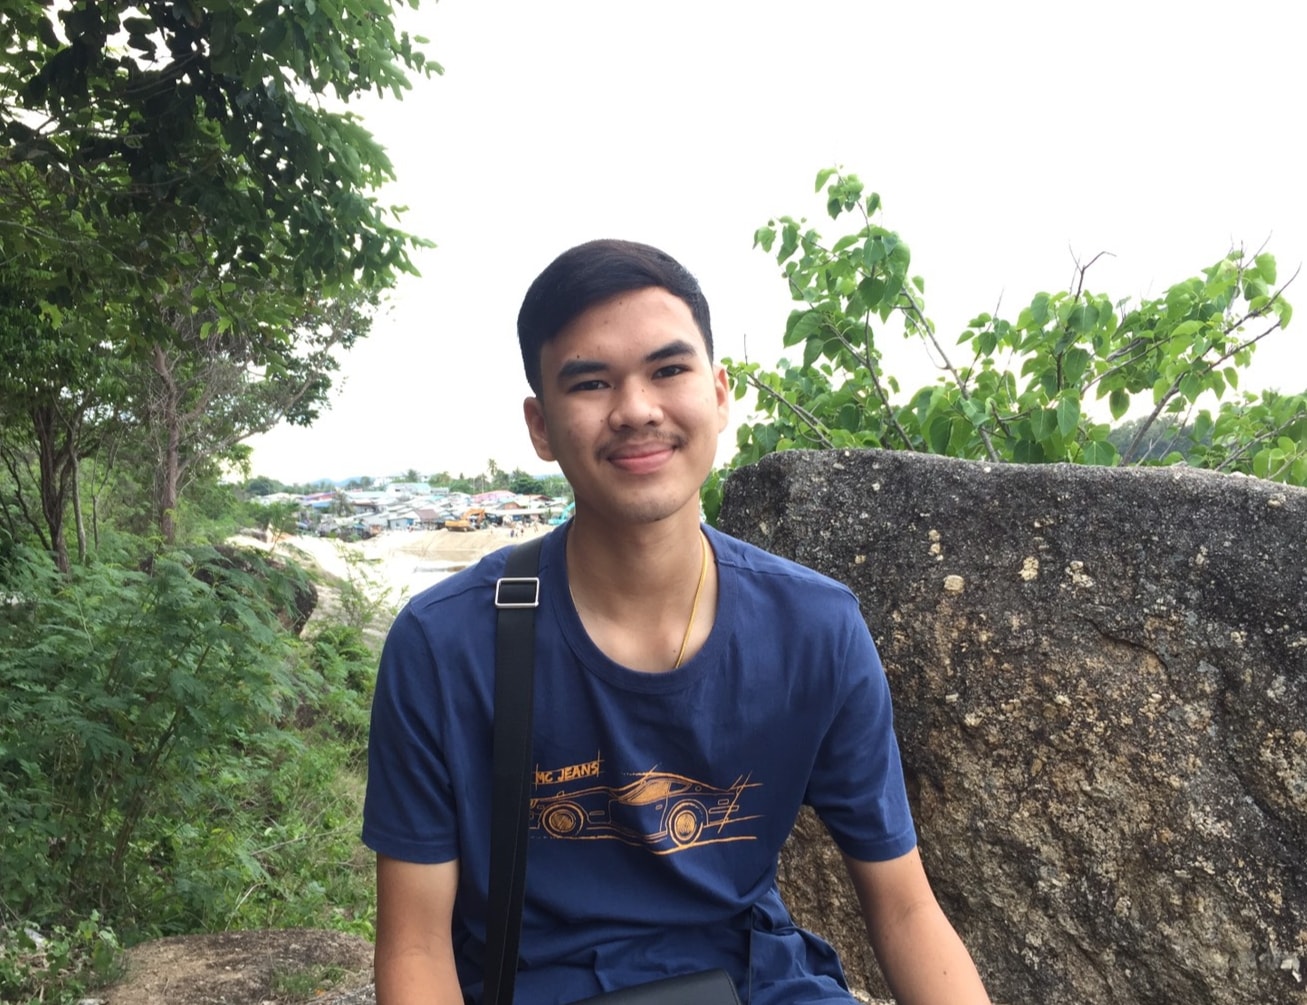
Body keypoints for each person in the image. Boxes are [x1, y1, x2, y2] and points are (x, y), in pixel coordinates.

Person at [362, 239, 991, 1005]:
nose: (635, 409)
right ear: (540, 424)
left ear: (719, 394)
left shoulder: (814, 629)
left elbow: (903, 905)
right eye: (590, 382)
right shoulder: (448, 643)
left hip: (756, 985)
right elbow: (415, 945)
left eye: (667, 370)